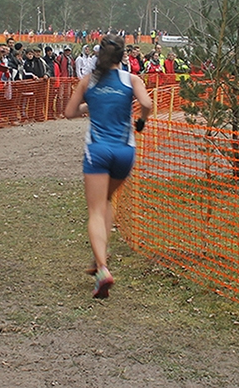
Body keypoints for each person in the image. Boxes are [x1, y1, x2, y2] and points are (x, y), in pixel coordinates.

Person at [64, 34, 152, 299]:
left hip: (98, 151)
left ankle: (102, 267)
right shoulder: (131, 79)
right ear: (122, 56)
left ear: (98, 55)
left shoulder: (88, 81)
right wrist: (142, 122)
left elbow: (68, 113)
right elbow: (147, 104)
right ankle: (100, 255)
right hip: (125, 151)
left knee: (94, 210)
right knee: (108, 199)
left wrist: (89, 105)